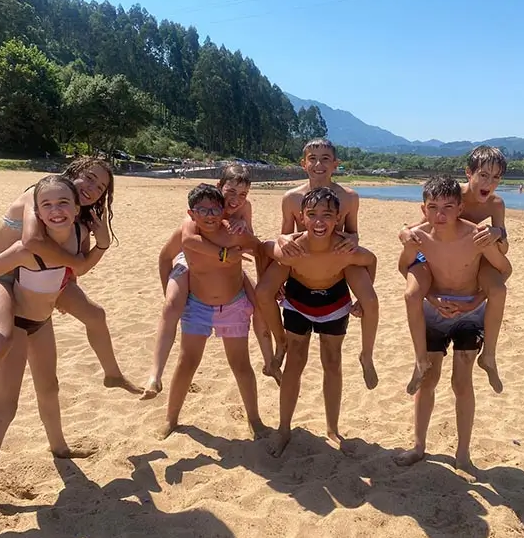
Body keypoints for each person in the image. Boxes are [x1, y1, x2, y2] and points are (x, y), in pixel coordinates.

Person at [0, 157, 141, 471]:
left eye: (101, 187)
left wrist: (81, 266)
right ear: (74, 173)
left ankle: (111, 375)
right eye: (90, 178)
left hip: (39, 279)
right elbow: (31, 242)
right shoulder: (40, 194)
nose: (93, 189)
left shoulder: (74, 216)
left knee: (95, 315)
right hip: (2, 277)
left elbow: (71, 258)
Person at [0, 175, 103, 506]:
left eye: (64, 203)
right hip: (17, 324)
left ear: (78, 207)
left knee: (49, 387)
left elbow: (77, 270)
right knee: (6, 406)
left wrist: (103, 240)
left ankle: (59, 446)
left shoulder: (75, 236)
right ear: (36, 212)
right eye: (47, 205)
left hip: (41, 321)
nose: (56, 211)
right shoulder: (26, 248)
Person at [395, 176, 511, 474]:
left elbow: (504, 268)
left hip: (469, 314)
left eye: (448, 207)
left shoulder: (475, 236)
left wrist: (475, 302)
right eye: (433, 207)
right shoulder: (419, 237)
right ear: (423, 209)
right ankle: (419, 446)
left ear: (460, 207)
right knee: (429, 381)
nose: (441, 215)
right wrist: (432, 298)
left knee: (462, 382)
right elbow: (404, 268)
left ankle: (463, 454)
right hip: (433, 312)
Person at [142, 164, 277, 400]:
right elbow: (188, 241)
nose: (236, 200)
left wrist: (243, 227)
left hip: (228, 266)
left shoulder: (245, 208)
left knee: (260, 303)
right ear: (219, 187)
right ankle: (155, 374)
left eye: (243, 194)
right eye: (231, 192)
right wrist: (224, 254)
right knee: (172, 304)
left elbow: (250, 243)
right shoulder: (203, 209)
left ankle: (270, 362)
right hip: (193, 259)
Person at [260, 187, 377, 457]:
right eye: (312, 215)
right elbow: (264, 286)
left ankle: (333, 428)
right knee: (295, 363)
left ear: (338, 218)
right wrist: (278, 336)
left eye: (327, 215)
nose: (319, 221)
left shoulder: (343, 248)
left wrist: (362, 297)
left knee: (332, 361)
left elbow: (371, 259)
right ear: (301, 218)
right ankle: (284, 429)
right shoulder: (293, 247)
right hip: (298, 302)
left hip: (334, 303)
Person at [256, 138, 379, 390]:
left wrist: (352, 241)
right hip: (299, 256)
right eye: (312, 158)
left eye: (325, 158)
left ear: (335, 164)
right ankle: (281, 343)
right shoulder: (291, 198)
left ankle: (366, 354)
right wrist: (281, 241)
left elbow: (353, 232)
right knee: (263, 292)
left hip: (337, 257)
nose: (318, 164)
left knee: (370, 299)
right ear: (303, 164)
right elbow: (285, 236)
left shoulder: (349, 197)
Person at [160, 184, 268, 440]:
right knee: (187, 362)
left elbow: (261, 250)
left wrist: (267, 281)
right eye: (202, 210)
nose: (209, 215)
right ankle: (171, 418)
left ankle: (255, 420)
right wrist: (168, 289)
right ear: (191, 213)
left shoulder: (233, 232)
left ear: (223, 210)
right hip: (197, 306)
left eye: (215, 209)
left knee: (241, 364)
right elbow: (165, 257)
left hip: (233, 306)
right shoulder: (187, 233)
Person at [400, 146, 509, 394]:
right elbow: (420, 224)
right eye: (483, 175)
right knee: (412, 294)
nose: (489, 182)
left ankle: (489, 356)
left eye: (495, 178)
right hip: (438, 250)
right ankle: (420, 360)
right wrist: (405, 233)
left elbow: (503, 249)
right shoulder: (451, 194)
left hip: (472, 253)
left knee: (499, 291)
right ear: (468, 173)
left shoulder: (496, 204)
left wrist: (497, 233)